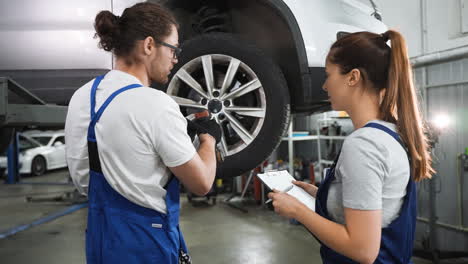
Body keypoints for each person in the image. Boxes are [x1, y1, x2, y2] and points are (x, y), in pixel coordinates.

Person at [64, 3, 221, 263]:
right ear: (149, 45)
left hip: (100, 239)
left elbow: (88, 179)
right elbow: (202, 183)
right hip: (147, 244)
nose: (176, 58)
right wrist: (209, 139)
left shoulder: (82, 97)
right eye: (173, 49)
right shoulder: (155, 104)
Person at [268, 30, 434, 264]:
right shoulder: (390, 134)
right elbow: (375, 203)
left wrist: (298, 211)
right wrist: (319, 195)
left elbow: (362, 250)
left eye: (328, 75)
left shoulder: (365, 145)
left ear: (353, 77)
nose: (325, 86)